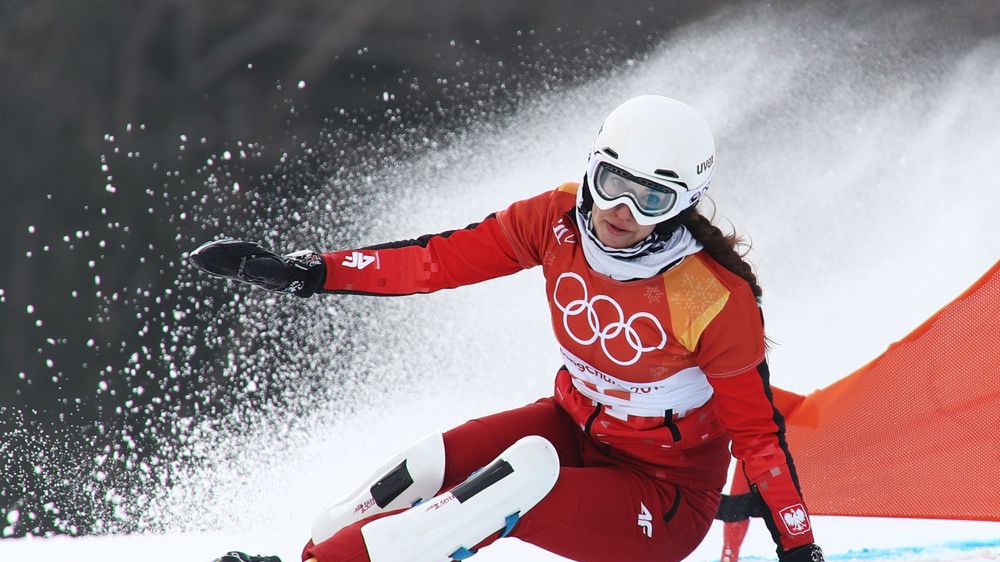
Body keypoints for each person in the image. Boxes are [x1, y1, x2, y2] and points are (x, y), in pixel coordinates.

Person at [194, 95, 825, 562]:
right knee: (429, 465)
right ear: (591, 169)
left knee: (514, 479)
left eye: (651, 199)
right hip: (573, 426)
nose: (620, 213)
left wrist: (798, 545)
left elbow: (758, 437)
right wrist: (312, 273)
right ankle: (316, 553)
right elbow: (434, 260)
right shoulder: (555, 221)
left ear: (684, 202)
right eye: (610, 184)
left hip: (663, 496)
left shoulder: (711, 295)